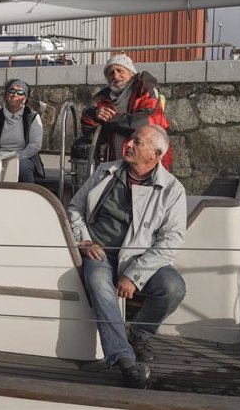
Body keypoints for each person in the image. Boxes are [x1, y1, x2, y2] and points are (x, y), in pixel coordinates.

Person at [67, 124, 186, 389]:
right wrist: (83, 240)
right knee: (99, 285)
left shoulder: (172, 190)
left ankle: (140, 333)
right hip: (99, 251)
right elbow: (74, 208)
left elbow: (171, 240)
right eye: (131, 139)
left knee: (174, 287)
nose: (128, 145)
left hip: (139, 257)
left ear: (155, 154)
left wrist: (134, 275)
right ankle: (124, 359)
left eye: (137, 142)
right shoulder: (104, 172)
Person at [81, 53, 172, 169]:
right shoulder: (104, 101)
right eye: (111, 73)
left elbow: (146, 123)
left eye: (120, 71)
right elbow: (92, 134)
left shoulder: (146, 90)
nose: (116, 75)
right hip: (118, 164)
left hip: (150, 163)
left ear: (131, 73)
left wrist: (108, 120)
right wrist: (94, 114)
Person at [0, 79, 44, 183]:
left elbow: (35, 145)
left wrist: (16, 158)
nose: (14, 94)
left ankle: (28, 196)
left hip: (24, 157)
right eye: (12, 91)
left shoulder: (33, 117)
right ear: (6, 96)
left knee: (22, 168)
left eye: (20, 92)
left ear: (24, 99)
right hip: (0, 156)